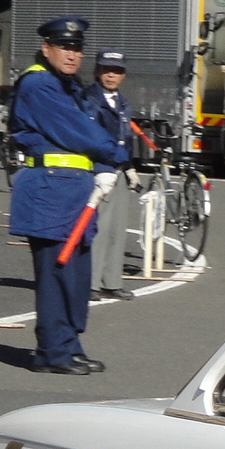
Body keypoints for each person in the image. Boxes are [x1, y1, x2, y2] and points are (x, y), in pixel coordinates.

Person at [9, 15, 125, 375]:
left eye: (77, 48)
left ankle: (69, 345)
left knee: (76, 275)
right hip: (50, 189)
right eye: (64, 47)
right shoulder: (39, 84)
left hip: (74, 190)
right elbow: (79, 133)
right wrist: (116, 154)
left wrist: (104, 167)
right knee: (55, 274)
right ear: (47, 49)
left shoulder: (68, 86)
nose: (72, 54)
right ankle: (52, 352)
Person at [80, 50, 137, 300]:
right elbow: (92, 137)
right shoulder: (89, 99)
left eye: (116, 71)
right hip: (99, 169)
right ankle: (90, 283)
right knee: (99, 228)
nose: (111, 75)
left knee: (117, 228)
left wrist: (131, 166)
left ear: (123, 75)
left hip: (119, 168)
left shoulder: (122, 102)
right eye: (106, 69)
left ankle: (111, 281)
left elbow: (125, 137)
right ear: (97, 72)